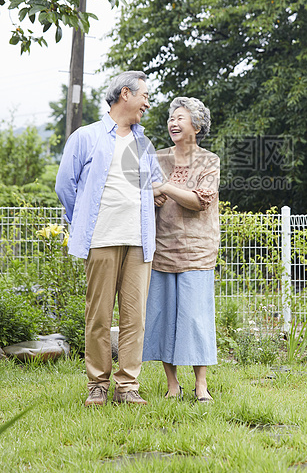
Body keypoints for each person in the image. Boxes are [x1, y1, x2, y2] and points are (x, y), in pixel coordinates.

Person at [55, 71, 162, 407]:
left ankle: (128, 385)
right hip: (100, 238)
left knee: (135, 317)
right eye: (144, 95)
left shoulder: (145, 144)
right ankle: (97, 384)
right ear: (125, 94)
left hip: (139, 240)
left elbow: (156, 187)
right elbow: (64, 186)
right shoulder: (86, 137)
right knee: (98, 315)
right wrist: (85, 219)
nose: (147, 102)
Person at [142, 96, 220, 402]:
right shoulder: (158, 158)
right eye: (171, 118)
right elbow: (144, 193)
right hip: (162, 248)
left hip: (197, 250)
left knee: (195, 317)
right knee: (163, 317)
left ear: (196, 126)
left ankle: (201, 383)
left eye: (180, 118)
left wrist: (165, 188)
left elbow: (201, 201)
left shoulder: (209, 160)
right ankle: (172, 383)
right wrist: (153, 194)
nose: (173, 123)